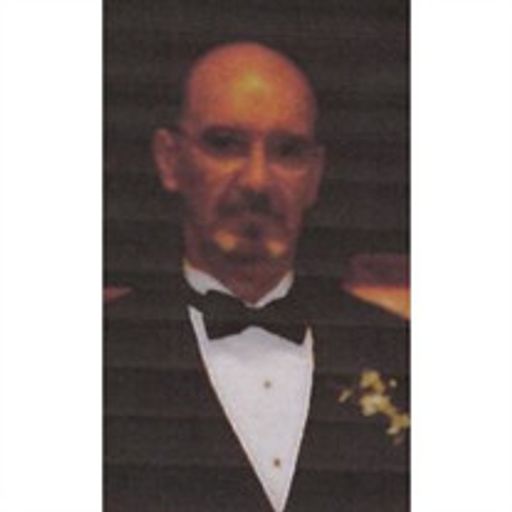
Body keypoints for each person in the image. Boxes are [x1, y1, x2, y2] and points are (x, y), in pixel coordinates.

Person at [105, 42, 409, 511]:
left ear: (314, 175)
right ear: (170, 160)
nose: (257, 181)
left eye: (288, 151)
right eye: (225, 144)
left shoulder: (401, 352)